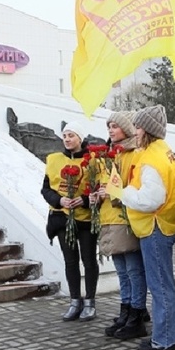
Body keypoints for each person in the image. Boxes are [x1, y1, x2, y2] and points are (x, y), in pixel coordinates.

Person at [120, 105, 175, 350]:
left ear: (146, 130)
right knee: (163, 284)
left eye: (137, 126)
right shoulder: (162, 151)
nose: (134, 131)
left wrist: (121, 193)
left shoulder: (151, 159)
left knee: (160, 285)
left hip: (155, 226)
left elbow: (150, 199)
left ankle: (165, 339)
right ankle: (167, 335)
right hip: (161, 225)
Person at [98, 111, 148, 339]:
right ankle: (126, 309)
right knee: (122, 271)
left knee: (133, 270)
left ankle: (136, 313)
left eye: (115, 126)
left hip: (124, 218)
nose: (110, 130)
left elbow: (130, 186)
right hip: (110, 217)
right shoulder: (115, 155)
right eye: (109, 126)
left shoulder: (133, 154)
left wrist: (111, 192)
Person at [42, 123, 99, 321]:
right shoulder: (54, 160)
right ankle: (75, 300)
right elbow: (46, 189)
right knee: (70, 261)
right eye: (64, 135)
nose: (67, 139)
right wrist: (59, 200)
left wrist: (83, 200)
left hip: (84, 219)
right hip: (62, 218)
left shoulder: (92, 160)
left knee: (89, 260)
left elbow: (98, 187)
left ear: (80, 138)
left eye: (71, 135)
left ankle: (90, 301)